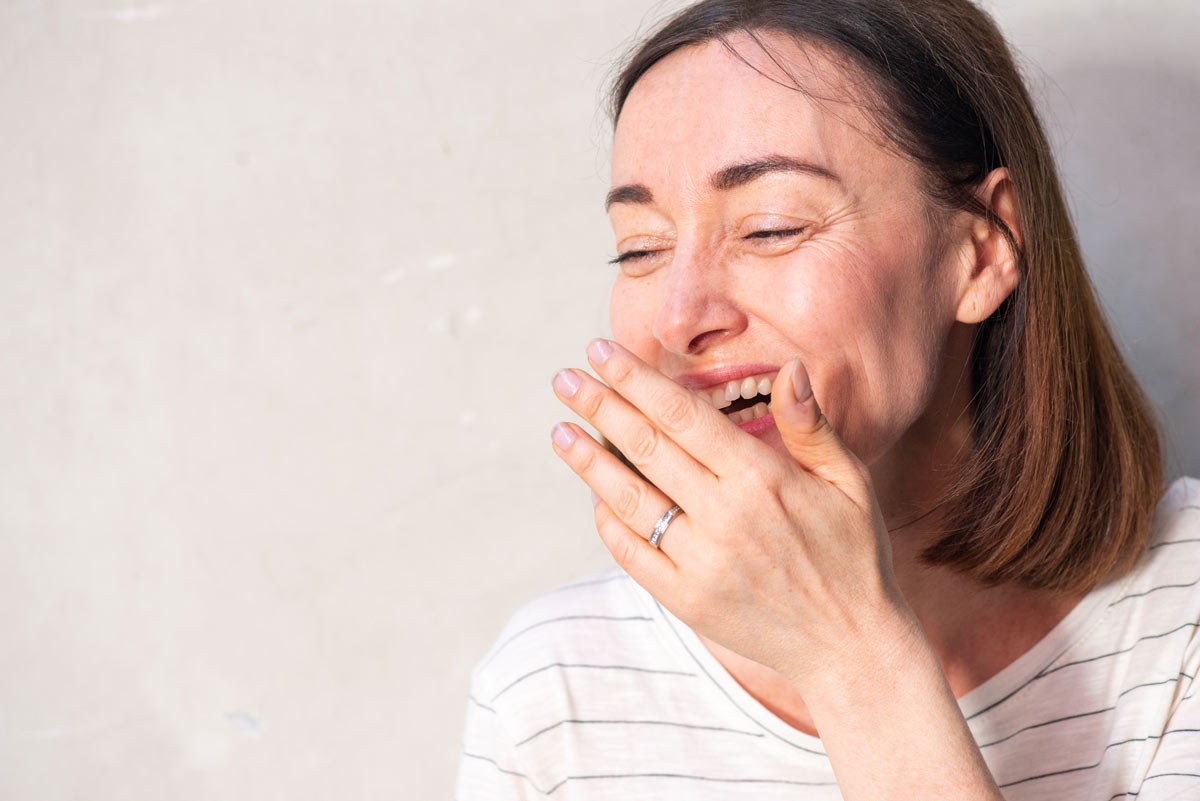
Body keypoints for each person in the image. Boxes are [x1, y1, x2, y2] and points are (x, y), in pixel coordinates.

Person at [456, 1, 1200, 798]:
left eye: (771, 228)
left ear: (983, 251)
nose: (678, 318)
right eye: (640, 247)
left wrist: (852, 654)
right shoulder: (551, 693)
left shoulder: (1182, 618)